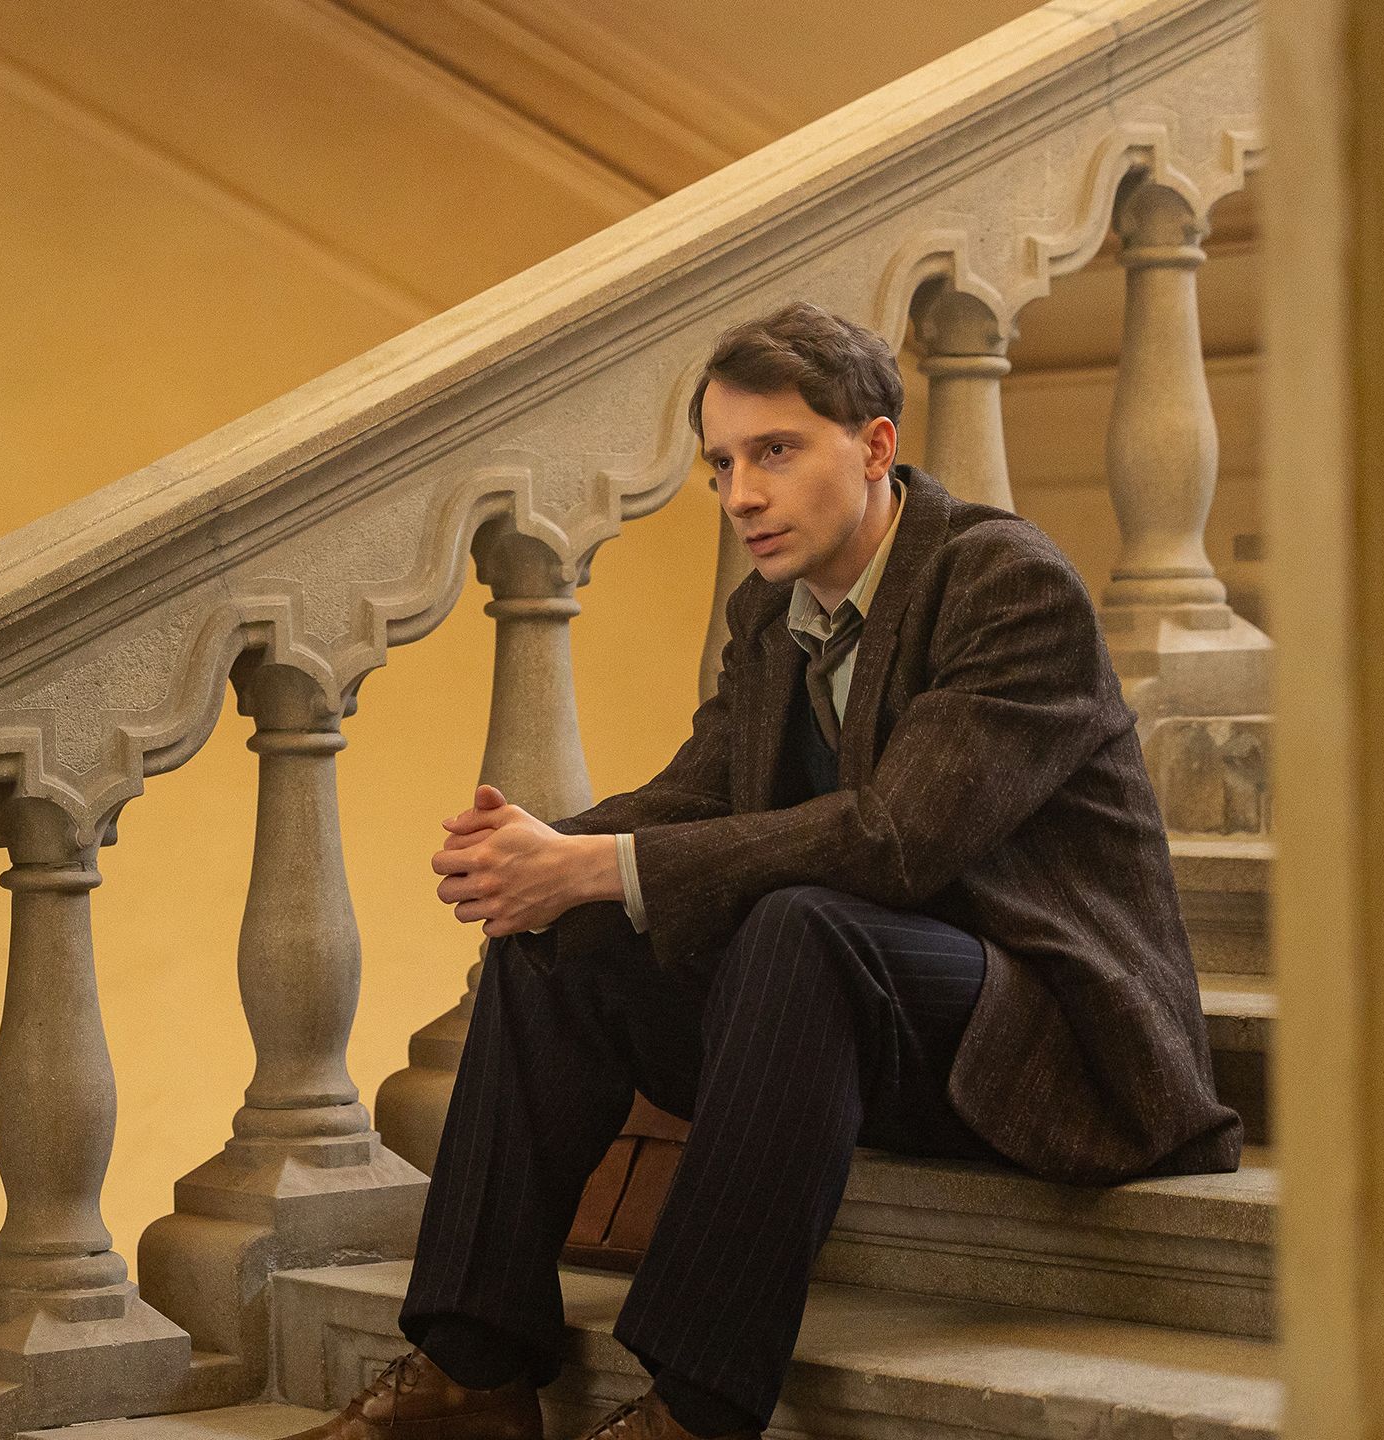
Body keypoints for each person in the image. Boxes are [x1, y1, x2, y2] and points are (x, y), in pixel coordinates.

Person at [285, 303, 1241, 1440]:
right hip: (845, 1028)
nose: (740, 495)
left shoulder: (1003, 582)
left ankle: (695, 1410)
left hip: (1046, 1033)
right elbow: (701, 793)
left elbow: (895, 839)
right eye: (722, 464)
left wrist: (601, 862)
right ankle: (470, 1372)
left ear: (875, 447)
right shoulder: (770, 610)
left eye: (774, 452)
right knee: (559, 934)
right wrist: (544, 855)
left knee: (800, 923)